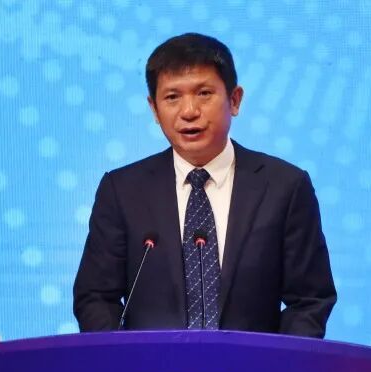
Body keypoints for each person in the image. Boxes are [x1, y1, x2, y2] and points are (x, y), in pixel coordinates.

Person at [73, 33, 336, 338]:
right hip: (150, 368)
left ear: (234, 100)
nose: (189, 111)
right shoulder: (123, 190)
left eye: (204, 93)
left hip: (252, 366)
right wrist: (124, 359)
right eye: (172, 97)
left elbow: (309, 300)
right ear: (154, 109)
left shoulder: (284, 187)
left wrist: (279, 361)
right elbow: (96, 296)